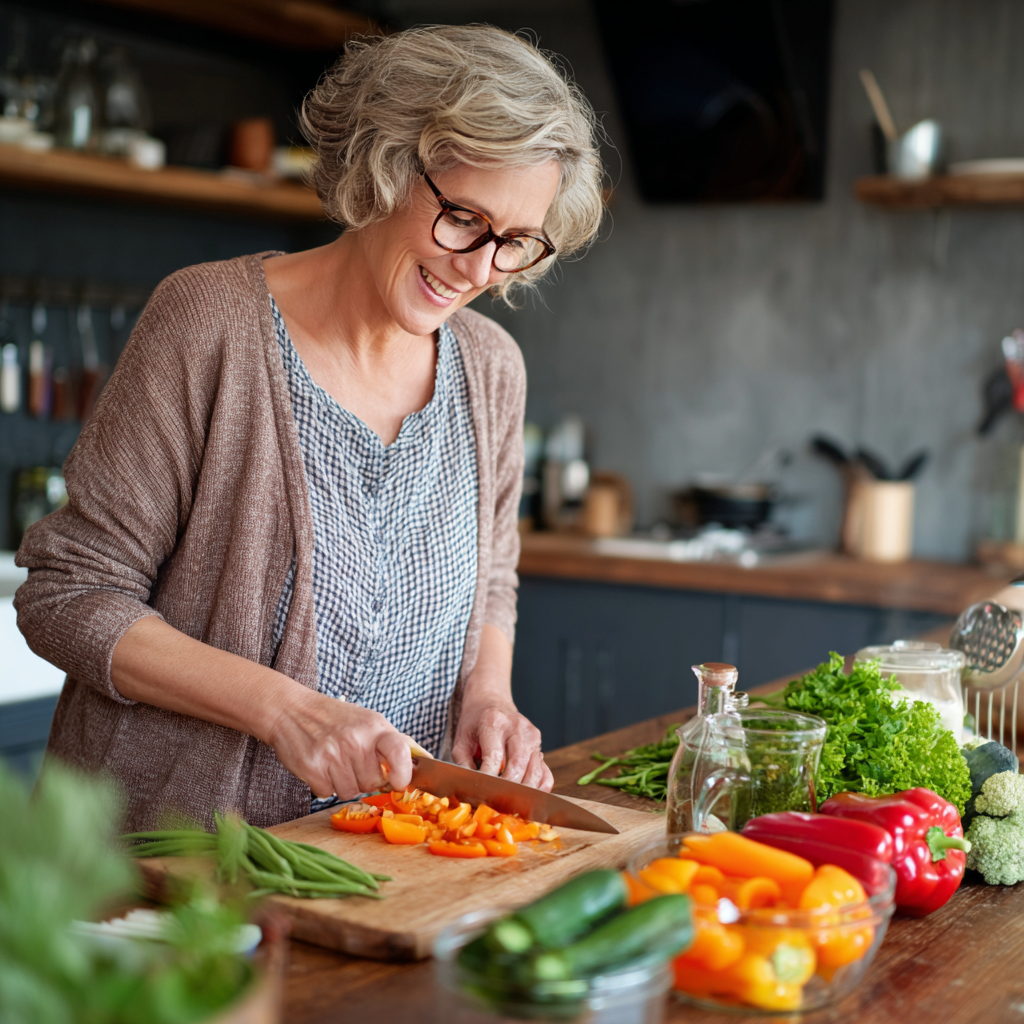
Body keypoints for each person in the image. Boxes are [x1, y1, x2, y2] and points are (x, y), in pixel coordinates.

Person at [14, 25, 605, 831]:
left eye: (514, 242)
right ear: (386, 164)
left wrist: (488, 694)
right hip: (171, 863)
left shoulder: (491, 368)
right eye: (462, 217)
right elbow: (67, 594)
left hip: (384, 852)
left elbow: (492, 575)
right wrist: (284, 711)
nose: (478, 268)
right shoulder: (209, 323)